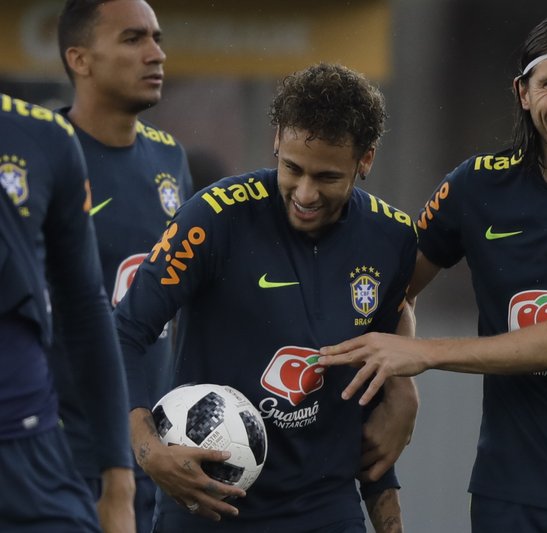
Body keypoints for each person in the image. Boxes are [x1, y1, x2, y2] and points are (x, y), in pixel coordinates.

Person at [319, 9, 547, 532]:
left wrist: (423, 355)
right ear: (523, 92)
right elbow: (390, 294)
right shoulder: (474, 187)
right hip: (511, 496)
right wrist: (400, 390)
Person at [114, 63, 418, 532]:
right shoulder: (212, 218)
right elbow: (124, 332)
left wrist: (403, 393)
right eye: (292, 169)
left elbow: (370, 392)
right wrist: (149, 453)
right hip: (204, 502)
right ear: (276, 139)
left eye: (328, 177)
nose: (305, 192)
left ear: (366, 160)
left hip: (324, 506)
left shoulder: (392, 238)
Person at [55, 1, 193, 530]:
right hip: (52, 450)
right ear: (81, 59)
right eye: (134, 39)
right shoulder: (39, 155)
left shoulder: (169, 159)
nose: (156, 54)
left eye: (157, 38)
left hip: (148, 452)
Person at [0, 94, 134, 532]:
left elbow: (84, 308)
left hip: (28, 451)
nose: (156, 53)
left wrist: (118, 484)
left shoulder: (41, 136)